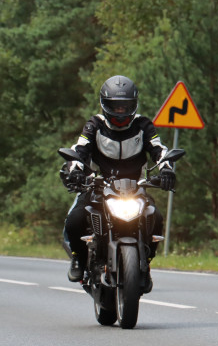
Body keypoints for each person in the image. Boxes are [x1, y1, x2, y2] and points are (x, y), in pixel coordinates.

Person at [59, 75, 176, 285]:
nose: (120, 112)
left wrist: (167, 169)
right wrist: (75, 169)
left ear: (133, 105)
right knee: (75, 219)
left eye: (125, 107)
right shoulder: (95, 124)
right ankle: (78, 259)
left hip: (134, 188)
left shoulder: (143, 125)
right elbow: (80, 149)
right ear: (105, 105)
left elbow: (159, 149)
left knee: (156, 217)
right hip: (98, 185)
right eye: (116, 107)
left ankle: (146, 263)